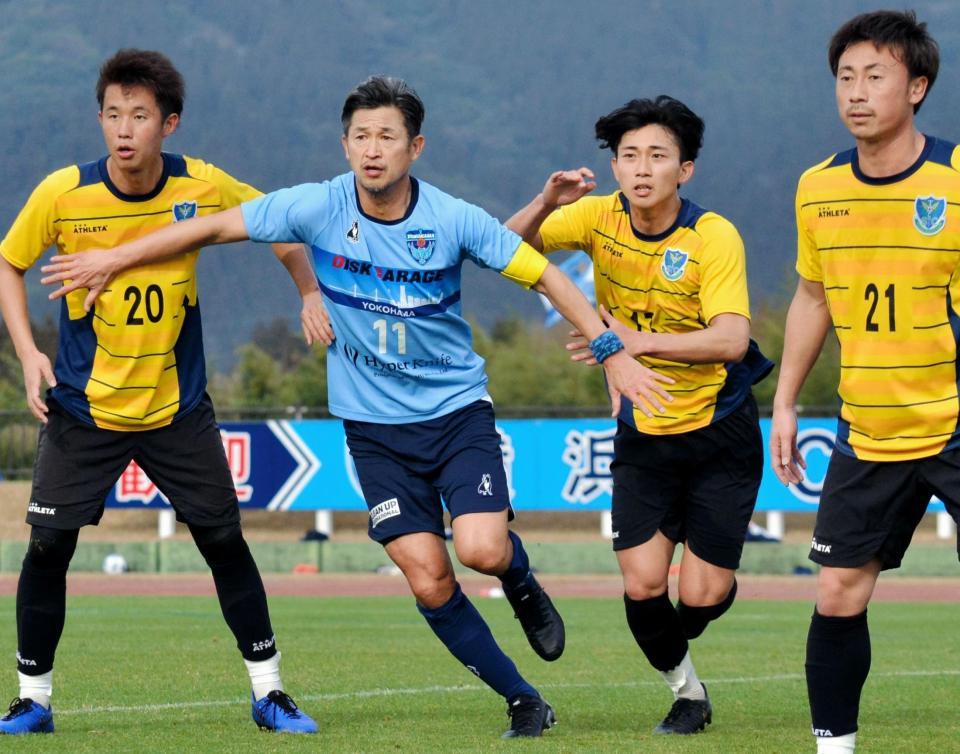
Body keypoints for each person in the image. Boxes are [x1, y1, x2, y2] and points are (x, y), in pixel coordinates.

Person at [37, 75, 674, 739]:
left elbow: (542, 273)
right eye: (361, 136)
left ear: (415, 147)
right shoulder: (315, 207)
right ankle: (522, 699)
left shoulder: (451, 218)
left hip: (455, 415)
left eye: (388, 137)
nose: (374, 150)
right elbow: (210, 226)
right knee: (428, 579)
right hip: (374, 435)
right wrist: (113, 258)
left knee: (481, 549)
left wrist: (612, 351)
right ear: (345, 145)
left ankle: (518, 576)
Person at [0, 49, 322, 735]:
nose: (124, 129)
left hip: (177, 410)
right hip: (84, 410)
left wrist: (309, 292)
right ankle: (33, 700)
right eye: (113, 114)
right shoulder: (63, 194)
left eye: (139, 116)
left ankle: (270, 693)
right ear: (100, 119)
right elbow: (8, 260)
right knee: (48, 549)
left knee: (223, 542)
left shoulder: (200, 185)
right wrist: (30, 352)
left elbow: (280, 227)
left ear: (168, 124)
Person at [507, 95, 772, 735]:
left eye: (658, 155)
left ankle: (701, 606)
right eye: (629, 156)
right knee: (642, 585)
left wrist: (634, 342)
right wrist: (546, 202)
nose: (641, 168)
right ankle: (688, 695)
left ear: (686, 170)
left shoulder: (713, 236)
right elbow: (504, 248)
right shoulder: (596, 217)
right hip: (642, 436)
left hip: (719, 433)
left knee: (702, 595)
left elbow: (732, 339)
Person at [770, 11, 959, 754]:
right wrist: (785, 403)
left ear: (916, 87)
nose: (856, 92)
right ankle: (834, 750)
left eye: (874, 76)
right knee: (837, 593)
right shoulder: (817, 188)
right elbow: (813, 297)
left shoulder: (954, 179)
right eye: (845, 77)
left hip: (952, 416)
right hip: (867, 427)